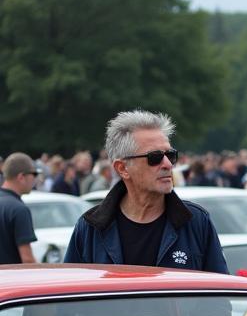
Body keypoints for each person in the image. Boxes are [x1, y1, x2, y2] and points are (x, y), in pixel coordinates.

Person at [64, 109, 228, 272]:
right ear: (122, 168)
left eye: (170, 155)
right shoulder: (90, 229)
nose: (168, 164)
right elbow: (69, 292)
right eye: (155, 157)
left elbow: (220, 293)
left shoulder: (196, 222)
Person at [0, 153, 40, 264]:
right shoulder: (19, 209)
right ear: (21, 177)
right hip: (10, 279)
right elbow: (27, 259)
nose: (35, 179)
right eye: (34, 174)